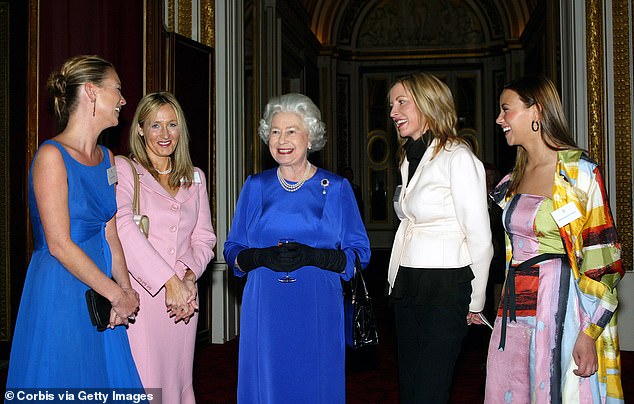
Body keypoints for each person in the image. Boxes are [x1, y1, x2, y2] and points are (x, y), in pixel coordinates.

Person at [5, 55, 144, 390]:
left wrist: (126, 290)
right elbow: (59, 243)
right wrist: (114, 293)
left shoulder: (108, 159)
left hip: (103, 291)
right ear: (92, 92)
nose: (123, 101)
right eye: (118, 90)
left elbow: (111, 233)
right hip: (61, 287)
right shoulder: (51, 156)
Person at [224, 93, 371, 403]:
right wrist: (259, 256)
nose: (282, 139)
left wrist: (315, 256)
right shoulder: (255, 186)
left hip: (317, 304)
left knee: (314, 385)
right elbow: (232, 249)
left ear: (310, 136)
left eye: (292, 130)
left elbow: (360, 252)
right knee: (268, 384)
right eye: (275, 131)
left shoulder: (337, 188)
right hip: (265, 305)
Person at [485, 76, 624, 403]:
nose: (499, 119)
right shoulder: (511, 181)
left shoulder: (578, 174)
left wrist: (590, 333)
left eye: (506, 110)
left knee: (554, 389)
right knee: (510, 388)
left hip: (561, 306)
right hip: (515, 308)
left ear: (536, 111)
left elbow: (602, 259)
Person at [386, 72, 493, 403]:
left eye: (402, 102)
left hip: (446, 287)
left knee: (430, 390)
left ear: (428, 103)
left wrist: (475, 301)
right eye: (391, 104)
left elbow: (480, 237)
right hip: (407, 282)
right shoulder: (408, 157)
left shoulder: (457, 156)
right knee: (411, 387)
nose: (393, 112)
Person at [115, 91, 216, 403]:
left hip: (184, 301)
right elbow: (123, 230)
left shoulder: (195, 177)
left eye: (172, 125)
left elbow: (205, 239)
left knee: (179, 380)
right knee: (148, 384)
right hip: (146, 298)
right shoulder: (125, 170)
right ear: (141, 129)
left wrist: (186, 280)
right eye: (155, 125)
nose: (164, 134)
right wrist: (169, 282)